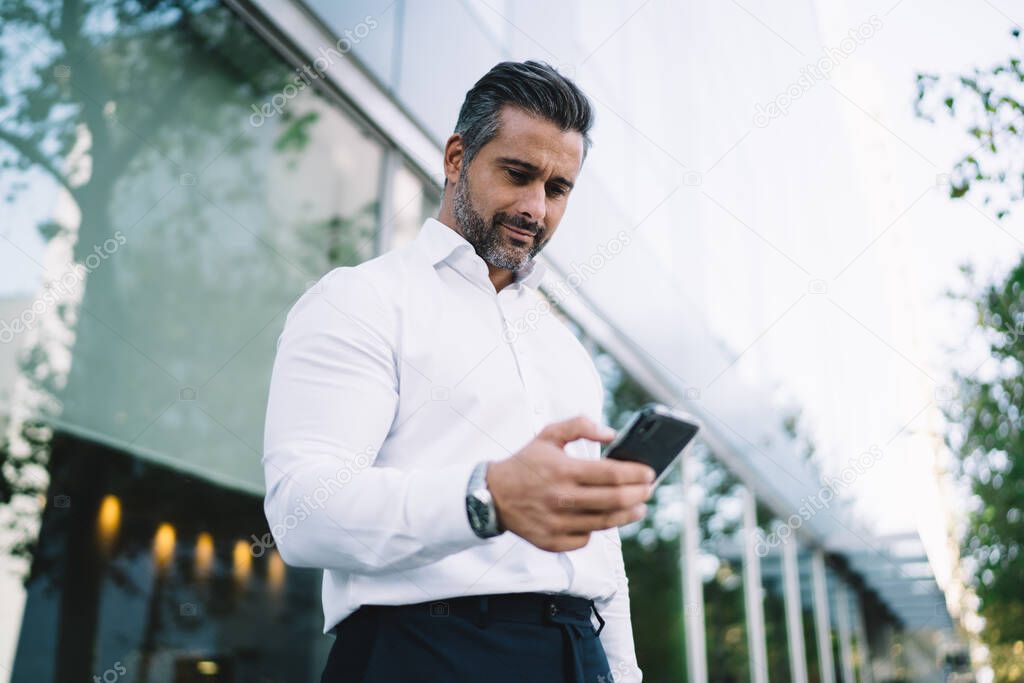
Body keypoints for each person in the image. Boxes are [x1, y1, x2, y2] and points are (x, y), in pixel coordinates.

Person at [263, 59, 654, 683]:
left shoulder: (567, 351)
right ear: (455, 158)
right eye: (518, 175)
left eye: (557, 190)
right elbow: (301, 514)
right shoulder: (361, 299)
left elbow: (601, 551)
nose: (535, 208)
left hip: (578, 652)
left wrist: (624, 674)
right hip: (422, 653)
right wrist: (487, 497)